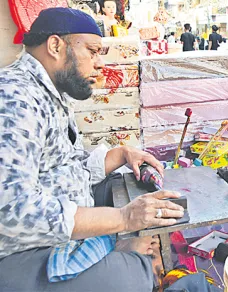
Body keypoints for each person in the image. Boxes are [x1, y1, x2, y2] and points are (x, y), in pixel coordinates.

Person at [0, 8, 185, 291]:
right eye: (93, 51)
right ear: (55, 46)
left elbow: (66, 165)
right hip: (18, 251)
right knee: (134, 275)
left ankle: (113, 246)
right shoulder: (14, 98)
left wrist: (123, 153)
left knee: (124, 184)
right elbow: (14, 212)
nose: (100, 65)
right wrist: (122, 219)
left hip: (59, 211)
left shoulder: (49, 92)